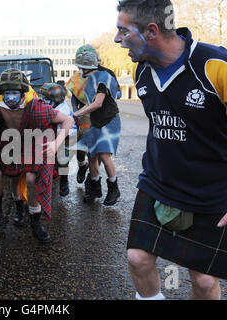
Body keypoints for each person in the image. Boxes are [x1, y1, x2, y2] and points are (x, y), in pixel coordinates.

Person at [115, 0, 227, 300]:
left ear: (151, 31)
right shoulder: (141, 73)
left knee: (203, 281)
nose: (117, 39)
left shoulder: (215, 65)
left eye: (123, 31)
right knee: (137, 258)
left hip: (214, 192)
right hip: (158, 184)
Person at [0, 69, 74, 242]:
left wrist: (56, 143)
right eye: (7, 93)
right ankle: (1, 210)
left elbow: (67, 120)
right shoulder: (0, 107)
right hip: (9, 144)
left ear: (22, 92)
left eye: (14, 93)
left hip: (32, 144)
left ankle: (35, 222)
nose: (10, 97)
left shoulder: (36, 106)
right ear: (2, 93)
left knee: (32, 180)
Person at [68, 44, 122, 205]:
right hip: (95, 121)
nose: (79, 70)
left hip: (108, 120)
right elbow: (87, 102)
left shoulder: (104, 76)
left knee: (104, 155)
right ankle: (94, 188)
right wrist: (75, 112)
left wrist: (77, 113)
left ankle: (114, 188)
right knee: (92, 156)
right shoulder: (89, 79)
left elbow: (98, 103)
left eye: (80, 67)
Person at [39, 83, 78, 197]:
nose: (43, 100)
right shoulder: (54, 105)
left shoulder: (63, 110)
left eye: (46, 99)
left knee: (62, 161)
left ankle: (64, 180)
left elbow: (63, 131)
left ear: (55, 99)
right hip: (54, 134)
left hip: (67, 136)